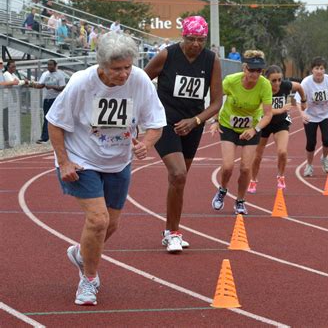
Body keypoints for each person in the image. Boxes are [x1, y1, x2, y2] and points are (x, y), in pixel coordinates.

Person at [46, 31, 166, 306]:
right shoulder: (81, 83)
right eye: (116, 69)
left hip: (118, 161)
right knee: (98, 220)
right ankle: (88, 280)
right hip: (82, 159)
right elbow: (54, 122)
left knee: (109, 225)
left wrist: (146, 144)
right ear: (101, 65)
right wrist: (64, 162)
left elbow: (156, 123)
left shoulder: (140, 81)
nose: (123, 75)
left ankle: (81, 252)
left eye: (127, 67)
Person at [144, 16, 223, 253]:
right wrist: (148, 112)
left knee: (179, 179)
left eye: (200, 40)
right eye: (191, 39)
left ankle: (171, 230)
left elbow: (217, 101)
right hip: (165, 122)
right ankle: (174, 233)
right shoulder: (166, 55)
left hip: (193, 123)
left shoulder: (211, 60)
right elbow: (141, 81)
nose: (196, 44)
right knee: (178, 174)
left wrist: (196, 121)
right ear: (183, 36)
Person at [210, 50, 273, 215]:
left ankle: (240, 200)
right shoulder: (231, 81)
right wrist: (215, 121)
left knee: (245, 168)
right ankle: (222, 190)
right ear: (245, 68)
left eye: (258, 71)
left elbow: (268, 115)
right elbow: (216, 99)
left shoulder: (265, 85)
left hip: (251, 129)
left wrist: (254, 129)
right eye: (251, 70)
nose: (255, 74)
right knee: (228, 166)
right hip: (228, 125)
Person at [248, 65, 306, 193]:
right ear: (267, 80)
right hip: (263, 123)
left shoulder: (285, 86)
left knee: (282, 152)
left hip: (281, 122)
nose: (277, 83)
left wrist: (304, 100)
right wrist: (281, 109)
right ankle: (253, 180)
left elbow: (299, 87)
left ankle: (281, 176)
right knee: (257, 155)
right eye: (273, 80)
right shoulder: (261, 87)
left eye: (279, 79)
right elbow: (264, 110)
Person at [294, 57, 328, 177]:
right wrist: (302, 114)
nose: (319, 71)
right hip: (311, 115)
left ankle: (325, 157)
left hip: (327, 113)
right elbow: (298, 100)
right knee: (311, 143)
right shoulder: (306, 83)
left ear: (324, 70)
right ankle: (309, 165)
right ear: (312, 70)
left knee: (327, 140)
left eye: (321, 68)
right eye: (317, 68)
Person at [31, 59, 66, 144]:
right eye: (48, 65)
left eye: (51, 65)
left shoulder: (60, 75)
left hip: (56, 99)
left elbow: (62, 87)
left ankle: (60, 136)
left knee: (57, 118)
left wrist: (53, 87)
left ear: (55, 65)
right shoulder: (45, 74)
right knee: (46, 118)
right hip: (46, 99)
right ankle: (44, 137)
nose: (49, 67)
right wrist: (31, 84)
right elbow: (41, 85)